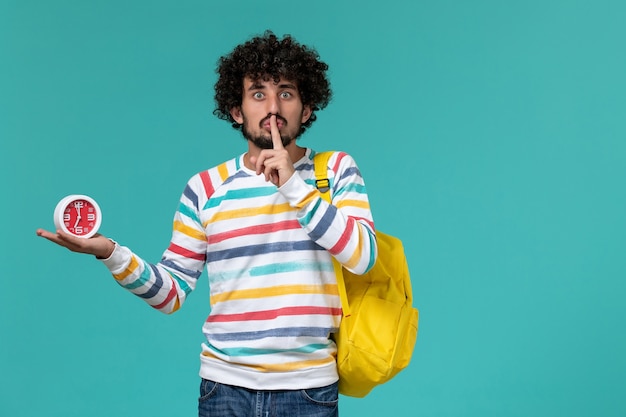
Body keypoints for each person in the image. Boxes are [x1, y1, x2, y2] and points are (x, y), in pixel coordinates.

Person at [37, 31, 377, 417]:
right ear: (237, 110)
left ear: (307, 107)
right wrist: (110, 254)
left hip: (309, 391)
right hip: (224, 390)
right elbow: (171, 294)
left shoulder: (333, 171)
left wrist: (295, 187)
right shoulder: (205, 188)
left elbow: (363, 257)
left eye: (286, 93)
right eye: (258, 93)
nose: (272, 107)